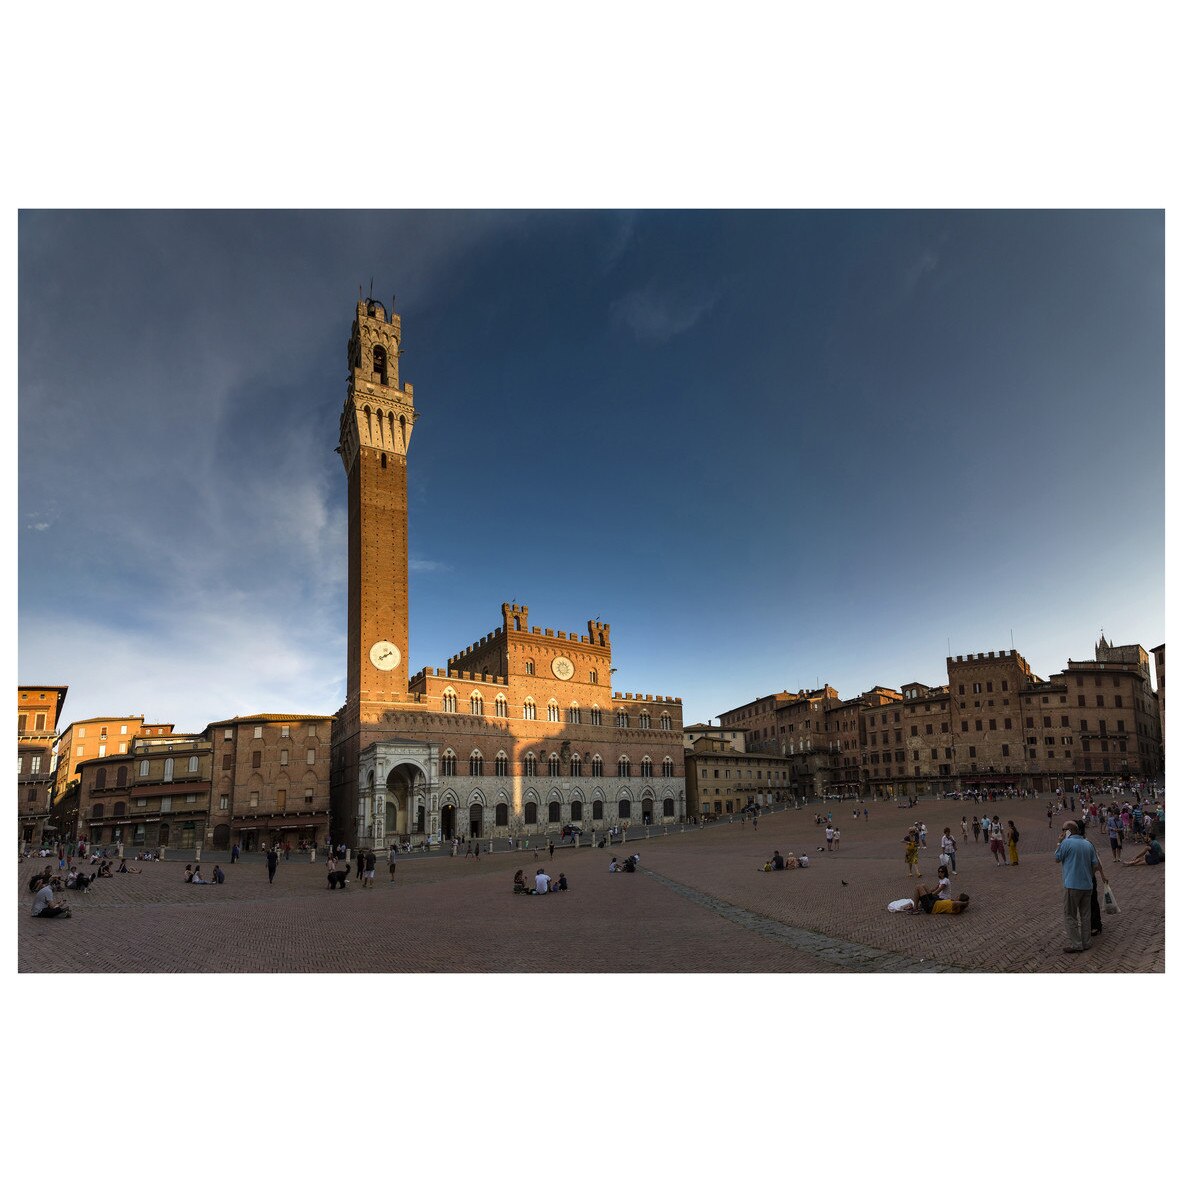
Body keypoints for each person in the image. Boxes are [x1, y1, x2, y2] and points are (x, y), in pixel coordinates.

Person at [1055, 820, 1106, 953]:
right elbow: (1095, 865)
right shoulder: (1088, 844)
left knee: (1070, 915)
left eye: (1063, 830)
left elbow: (1057, 858)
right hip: (1087, 885)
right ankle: (1087, 942)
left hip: (1072, 885)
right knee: (1085, 915)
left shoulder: (1066, 843)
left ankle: (1077, 944)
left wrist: (1059, 842)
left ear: (1068, 831)